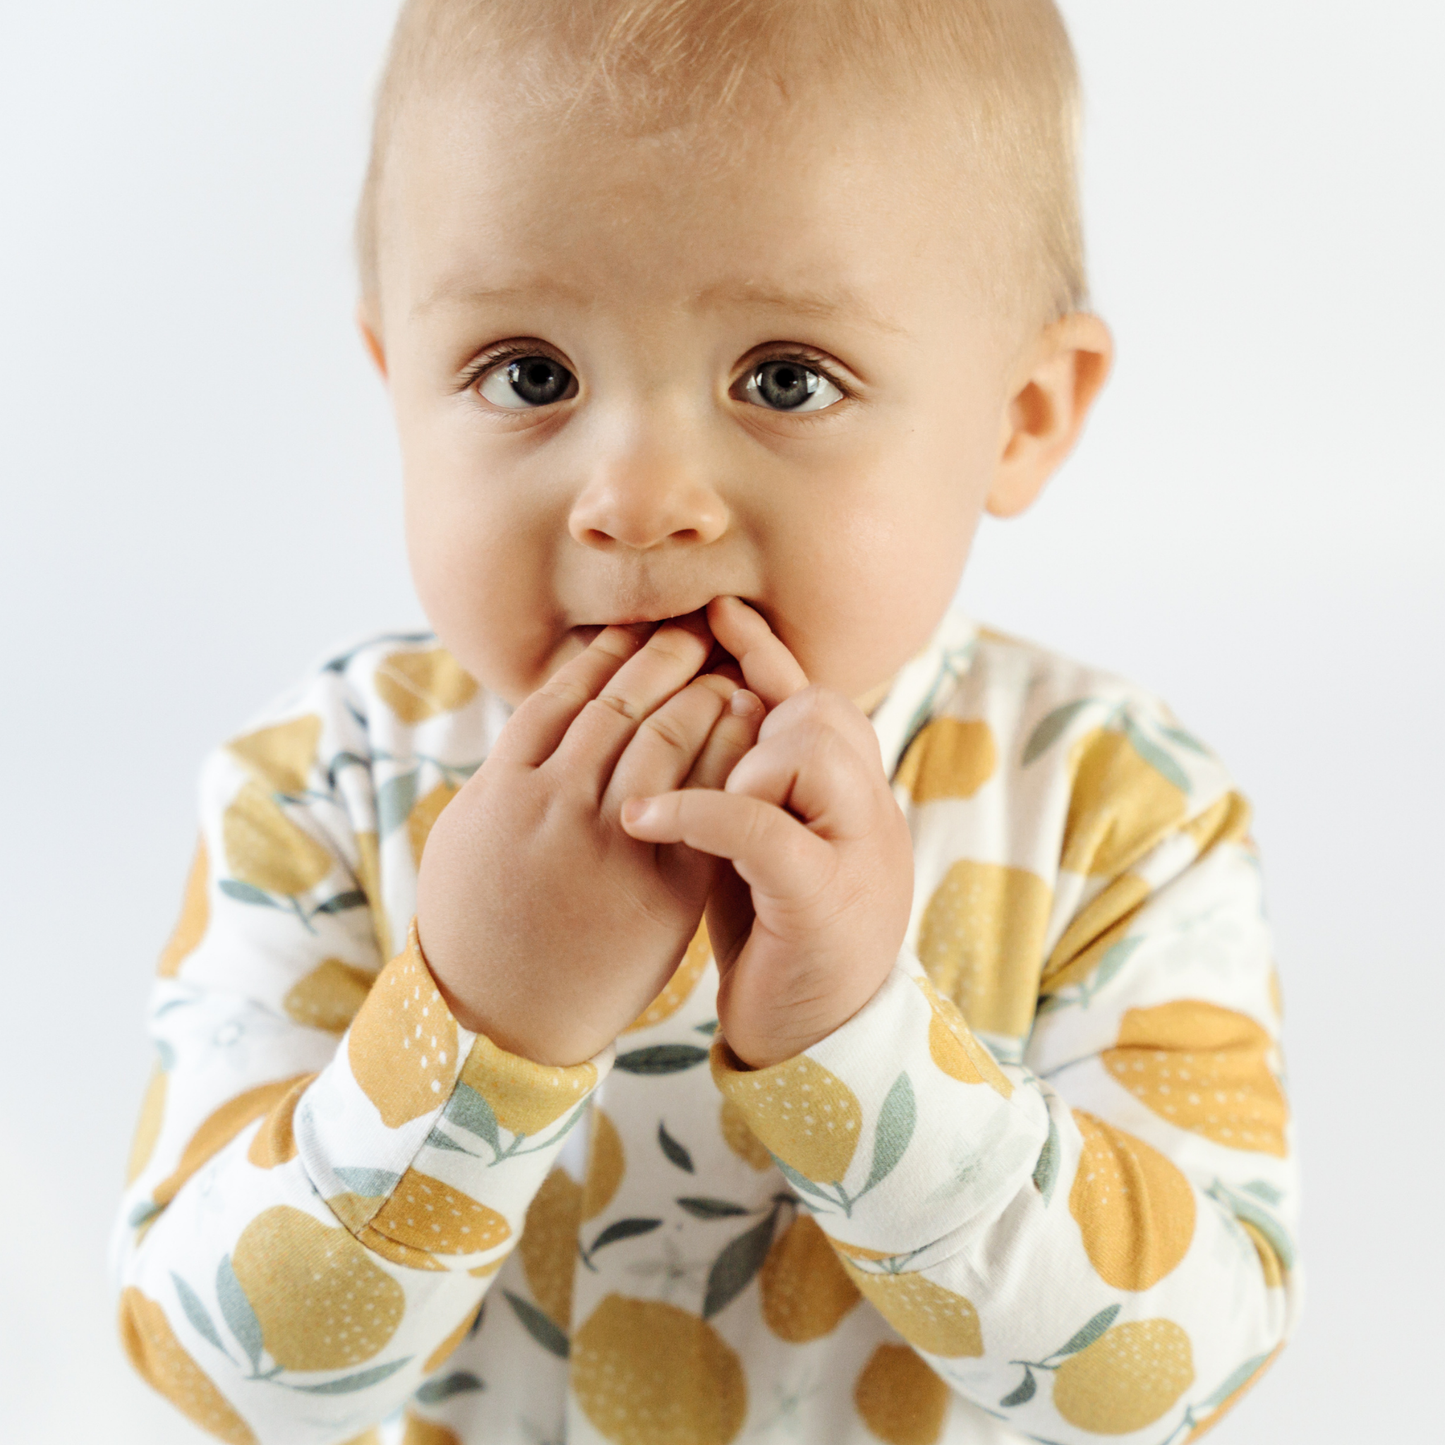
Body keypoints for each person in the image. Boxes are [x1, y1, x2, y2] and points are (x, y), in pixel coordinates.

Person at [112, 2, 1300, 1442]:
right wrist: (475, 1021)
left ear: (1023, 414)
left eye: (786, 378)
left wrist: (856, 1042)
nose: (638, 498)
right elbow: (216, 1378)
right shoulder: (314, 785)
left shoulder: (1118, 808)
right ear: (398, 390)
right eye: (529, 374)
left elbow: (1184, 1372)